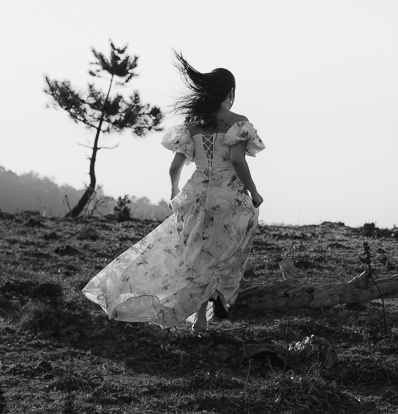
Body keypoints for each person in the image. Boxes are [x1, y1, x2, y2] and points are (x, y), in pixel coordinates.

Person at [82, 53, 264, 329]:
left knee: (195, 256)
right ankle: (216, 300)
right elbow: (238, 161)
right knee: (226, 250)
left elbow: (174, 167)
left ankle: (201, 317)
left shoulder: (192, 126)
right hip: (228, 196)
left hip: (197, 194)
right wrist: (254, 192)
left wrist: (175, 191)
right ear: (230, 93)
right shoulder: (238, 123)